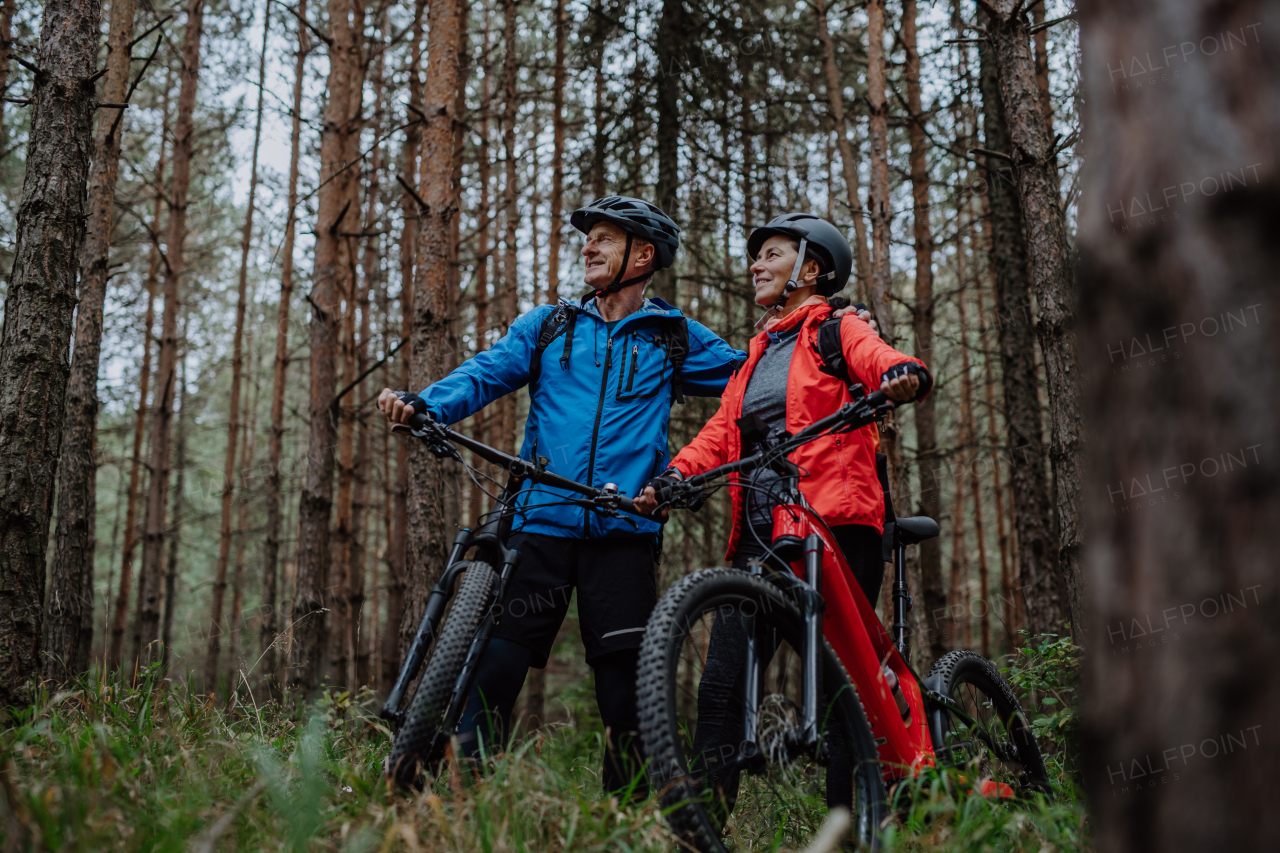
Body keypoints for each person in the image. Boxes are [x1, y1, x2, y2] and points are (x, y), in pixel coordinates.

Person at [378, 196, 747, 797]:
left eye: (603, 238)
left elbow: (750, 378)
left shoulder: (674, 337)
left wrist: (823, 329)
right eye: (589, 238)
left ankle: (618, 821)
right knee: (493, 670)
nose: (588, 247)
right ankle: (464, 807)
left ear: (643, 254)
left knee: (623, 695)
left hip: (624, 532)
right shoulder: (551, 325)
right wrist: (425, 404)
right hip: (539, 524)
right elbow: (486, 372)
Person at [632, 212, 932, 816]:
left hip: (836, 529)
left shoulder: (838, 328)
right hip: (762, 538)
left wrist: (900, 373)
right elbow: (720, 433)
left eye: (771, 255)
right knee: (721, 685)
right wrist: (672, 479)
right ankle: (702, 826)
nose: (755, 266)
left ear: (809, 269)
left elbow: (877, 357)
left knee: (845, 690)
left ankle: (853, 826)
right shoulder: (754, 355)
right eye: (756, 256)